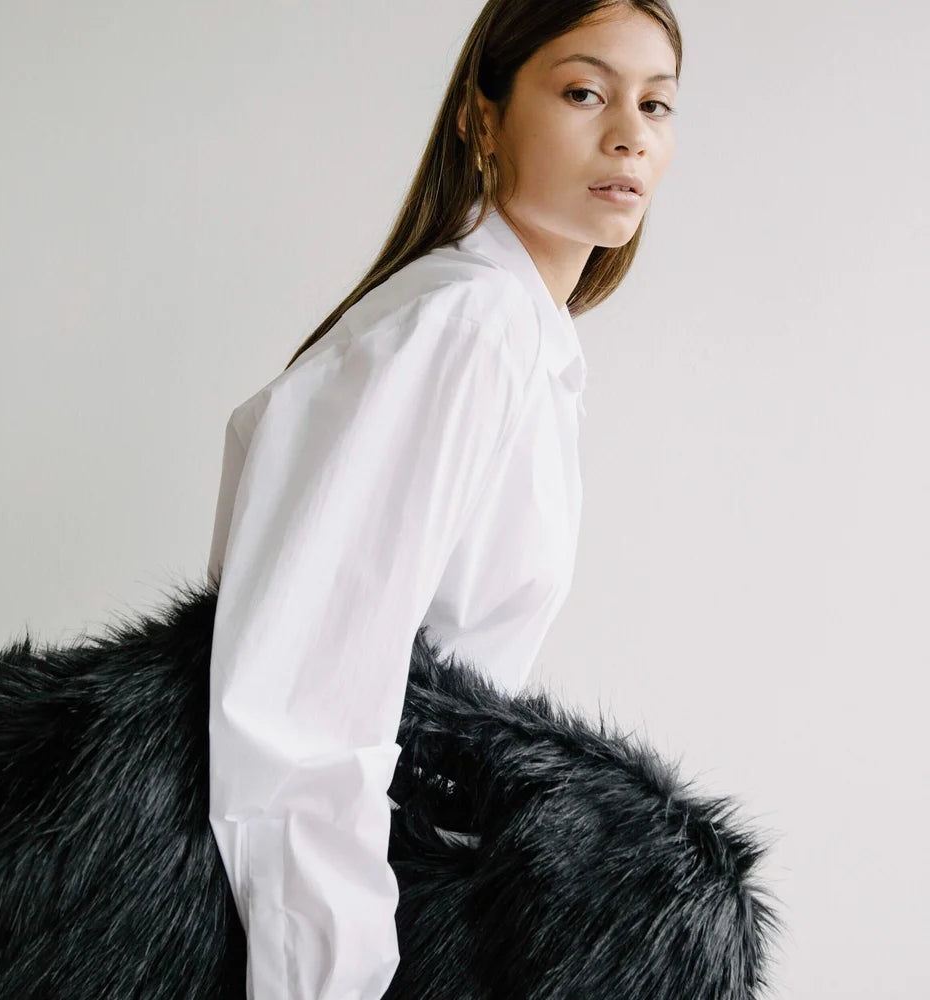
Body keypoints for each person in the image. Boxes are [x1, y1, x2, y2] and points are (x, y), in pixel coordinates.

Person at [205, 0, 681, 996]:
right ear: (481, 116)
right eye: (584, 91)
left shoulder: (514, 337)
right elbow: (306, 705)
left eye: (657, 103)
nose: (630, 132)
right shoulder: (470, 326)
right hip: (333, 930)